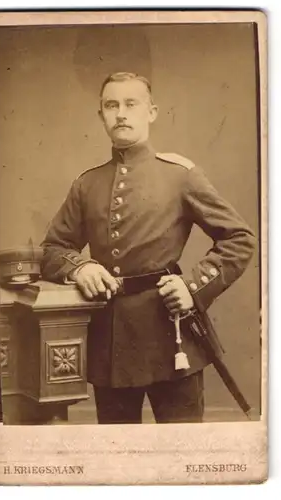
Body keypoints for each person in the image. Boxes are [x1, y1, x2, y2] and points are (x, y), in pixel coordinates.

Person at [41, 72, 255, 424]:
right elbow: (53, 249)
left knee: (181, 450)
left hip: (170, 336)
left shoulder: (180, 175)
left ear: (151, 112)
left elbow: (240, 239)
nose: (120, 114)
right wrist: (82, 268)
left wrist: (192, 287)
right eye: (111, 105)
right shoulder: (87, 184)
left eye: (131, 104)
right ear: (101, 116)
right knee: (119, 453)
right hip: (109, 343)